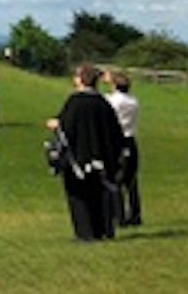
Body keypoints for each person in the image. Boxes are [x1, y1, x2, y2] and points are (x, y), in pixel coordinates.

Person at [46, 63, 125, 242]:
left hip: (79, 157)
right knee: (98, 194)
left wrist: (55, 125)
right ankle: (102, 230)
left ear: (81, 79)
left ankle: (85, 232)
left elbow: (67, 127)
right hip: (101, 157)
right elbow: (115, 132)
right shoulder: (103, 103)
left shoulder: (75, 101)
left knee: (78, 195)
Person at [105, 71, 141, 227]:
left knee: (115, 178)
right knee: (131, 180)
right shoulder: (133, 101)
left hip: (117, 140)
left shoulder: (112, 101)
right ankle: (135, 213)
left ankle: (118, 215)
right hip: (131, 139)